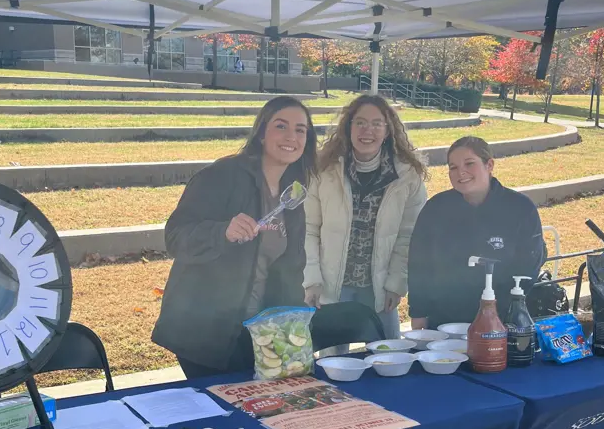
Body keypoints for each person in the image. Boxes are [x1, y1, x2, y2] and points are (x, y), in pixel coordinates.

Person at [153, 96, 317, 379]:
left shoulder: (293, 196)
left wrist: (293, 327)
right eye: (281, 126)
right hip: (205, 331)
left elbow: (291, 269)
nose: (291, 136)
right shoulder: (222, 175)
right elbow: (175, 236)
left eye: (300, 129)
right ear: (262, 133)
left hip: (258, 331)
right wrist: (221, 232)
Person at [303, 94, 428, 338]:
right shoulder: (323, 171)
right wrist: (312, 279)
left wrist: (396, 284)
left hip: (380, 289)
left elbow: (408, 236)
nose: (367, 130)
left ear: (388, 130)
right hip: (331, 287)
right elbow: (308, 229)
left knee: (387, 355)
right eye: (359, 122)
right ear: (348, 127)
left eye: (376, 123)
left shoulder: (407, 176)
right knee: (332, 362)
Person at [408, 136, 546, 329]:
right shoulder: (436, 208)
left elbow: (529, 267)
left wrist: (504, 313)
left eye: (469, 163)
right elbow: (418, 265)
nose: (460, 172)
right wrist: (418, 313)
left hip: (501, 321)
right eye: (453, 167)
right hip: (445, 322)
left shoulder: (520, 209)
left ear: (489, 165)